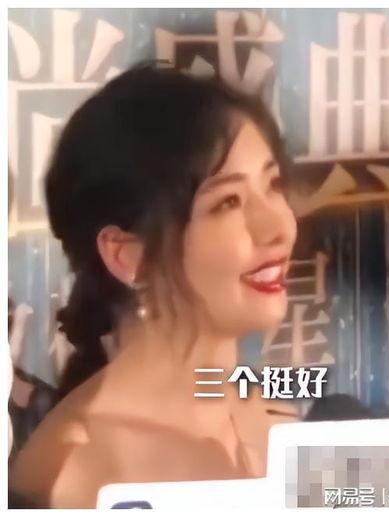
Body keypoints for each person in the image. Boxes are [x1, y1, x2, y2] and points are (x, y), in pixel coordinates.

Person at [9, 61, 300, 508]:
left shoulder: (279, 418)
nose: (278, 228)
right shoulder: (77, 472)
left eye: (273, 184)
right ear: (128, 256)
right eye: (227, 202)